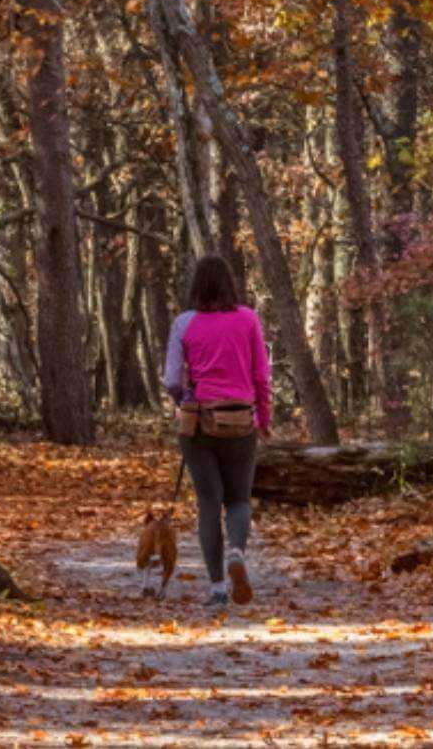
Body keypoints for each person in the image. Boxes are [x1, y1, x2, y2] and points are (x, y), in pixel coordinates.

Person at [162, 255, 272, 606]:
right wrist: (264, 419)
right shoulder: (248, 319)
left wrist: (184, 397)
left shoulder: (184, 323)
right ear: (230, 285)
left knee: (208, 502)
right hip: (241, 421)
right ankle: (236, 551)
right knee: (239, 498)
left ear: (196, 286)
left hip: (199, 424)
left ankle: (218, 589)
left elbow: (170, 380)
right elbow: (261, 376)